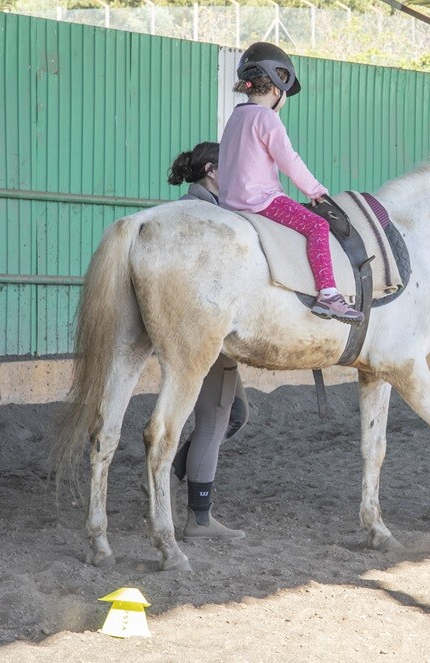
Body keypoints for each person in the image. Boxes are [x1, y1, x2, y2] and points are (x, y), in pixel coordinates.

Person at [218, 42, 363, 325]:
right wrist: (315, 190)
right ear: (276, 88)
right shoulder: (267, 118)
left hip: (229, 202)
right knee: (317, 226)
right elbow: (289, 160)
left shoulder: (236, 117)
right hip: (261, 201)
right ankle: (328, 294)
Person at [167, 142, 249, 540]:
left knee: (236, 414)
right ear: (213, 170)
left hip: (191, 329)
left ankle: (177, 465)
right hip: (208, 331)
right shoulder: (213, 220)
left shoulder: (185, 210)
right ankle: (199, 519)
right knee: (215, 419)